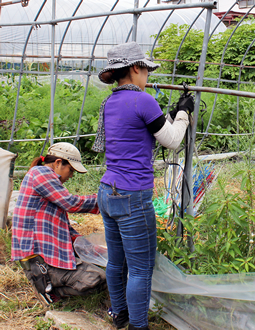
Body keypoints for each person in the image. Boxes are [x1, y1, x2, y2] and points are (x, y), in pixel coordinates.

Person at [93, 41, 194, 330]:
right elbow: (173, 141)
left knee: (116, 261)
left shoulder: (111, 101)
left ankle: (119, 315)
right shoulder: (142, 100)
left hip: (108, 191)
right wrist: (184, 113)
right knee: (140, 267)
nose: (148, 76)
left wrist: (174, 116)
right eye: (146, 70)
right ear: (136, 69)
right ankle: (139, 326)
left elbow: (152, 130)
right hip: (132, 196)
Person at [11, 142, 107, 306]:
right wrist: (104, 199)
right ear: (58, 163)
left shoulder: (45, 181)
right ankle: (49, 288)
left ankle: (49, 288)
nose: (70, 176)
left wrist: (88, 246)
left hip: (43, 258)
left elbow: (65, 228)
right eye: (71, 170)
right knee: (98, 278)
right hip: (40, 261)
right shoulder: (40, 174)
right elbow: (70, 203)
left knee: (101, 273)